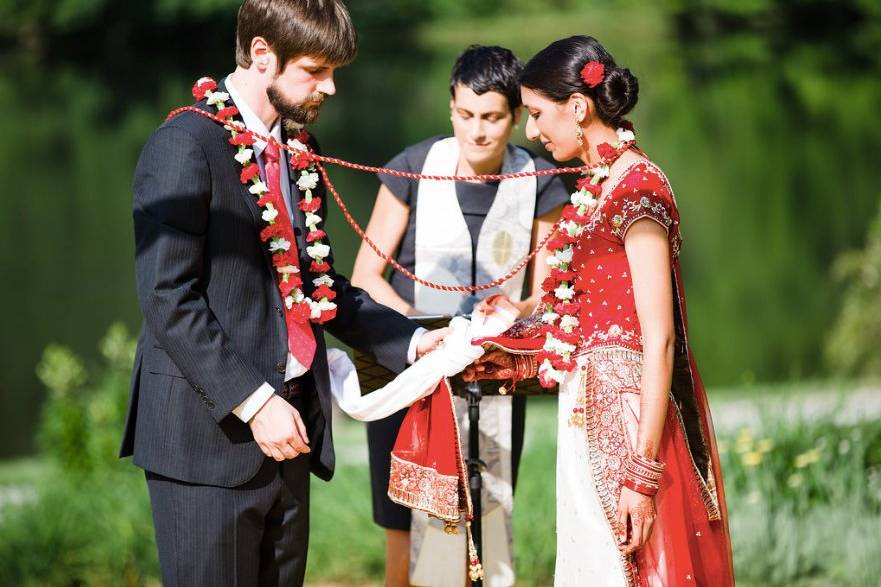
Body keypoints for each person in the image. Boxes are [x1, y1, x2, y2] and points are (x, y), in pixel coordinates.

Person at [119, 1, 444, 585]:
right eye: (316, 71)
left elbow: (319, 286)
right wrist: (256, 401)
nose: (332, 88)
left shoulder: (298, 148)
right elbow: (168, 297)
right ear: (263, 55)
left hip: (292, 432)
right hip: (207, 441)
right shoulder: (183, 145)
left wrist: (415, 342)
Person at [464, 36, 735, 586]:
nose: (532, 130)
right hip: (585, 405)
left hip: (633, 416)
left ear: (579, 108)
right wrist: (517, 314)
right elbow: (583, 297)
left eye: (538, 114)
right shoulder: (595, 185)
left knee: (634, 567)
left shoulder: (638, 188)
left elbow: (659, 338)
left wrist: (642, 474)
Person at [351, 45, 569, 587]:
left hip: (493, 374)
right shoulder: (410, 169)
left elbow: (548, 289)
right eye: (466, 115)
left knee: (486, 521)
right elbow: (365, 279)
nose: (478, 131)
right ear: (450, 108)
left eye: (493, 117)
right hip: (412, 372)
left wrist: (516, 310)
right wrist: (419, 331)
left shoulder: (540, 180)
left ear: (516, 115)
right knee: (405, 534)